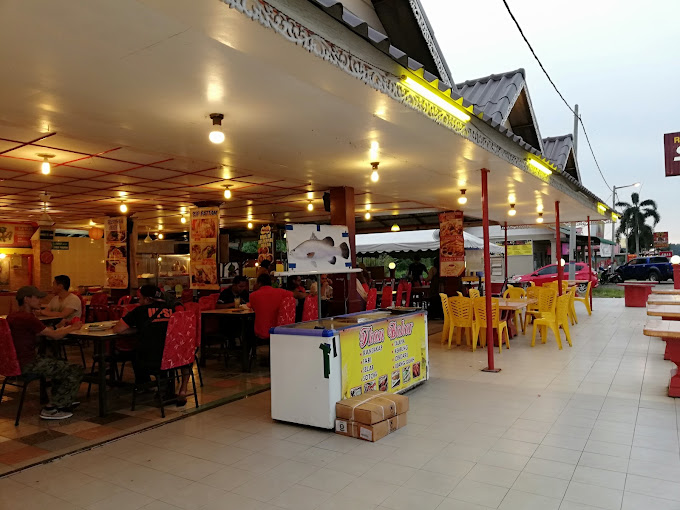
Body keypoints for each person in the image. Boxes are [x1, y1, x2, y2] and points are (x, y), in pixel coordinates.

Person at [6, 286, 84, 420]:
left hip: (15, 362)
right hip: (28, 363)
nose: (40, 301)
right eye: (37, 298)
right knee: (74, 369)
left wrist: (58, 328)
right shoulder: (28, 318)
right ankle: (52, 407)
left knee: (60, 363)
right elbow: (55, 336)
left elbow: (44, 332)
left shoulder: (13, 316)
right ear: (26, 299)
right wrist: (73, 327)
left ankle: (63, 398)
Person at [113, 285, 190, 405]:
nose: (139, 301)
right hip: (170, 359)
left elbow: (118, 329)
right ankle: (163, 388)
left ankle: (143, 385)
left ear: (147, 299)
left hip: (148, 360)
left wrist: (137, 329)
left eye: (140, 298)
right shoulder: (171, 310)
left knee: (134, 354)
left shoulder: (139, 311)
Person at [248, 273, 292, 340]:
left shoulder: (253, 295)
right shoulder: (281, 292)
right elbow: (294, 295)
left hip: (260, 331)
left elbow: (253, 307)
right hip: (277, 330)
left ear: (259, 283)